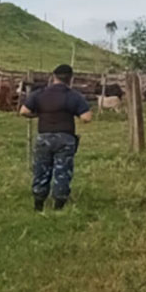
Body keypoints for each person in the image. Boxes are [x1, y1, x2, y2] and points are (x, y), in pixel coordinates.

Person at [20, 64, 92, 211]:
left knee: (41, 169)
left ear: (53, 76)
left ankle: (38, 204)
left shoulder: (40, 94)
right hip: (65, 138)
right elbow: (86, 117)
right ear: (70, 79)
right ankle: (59, 206)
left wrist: (38, 115)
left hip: (44, 137)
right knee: (63, 171)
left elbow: (23, 111)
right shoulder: (74, 96)